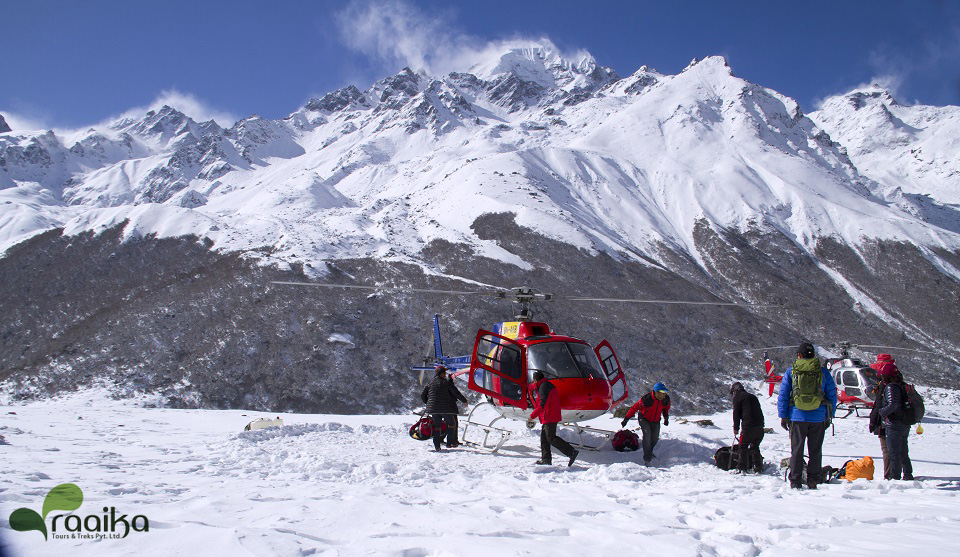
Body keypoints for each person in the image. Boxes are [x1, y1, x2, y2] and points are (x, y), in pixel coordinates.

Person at [777, 342, 838, 490]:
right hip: (818, 417)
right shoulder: (823, 372)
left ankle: (796, 481)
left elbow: (783, 395)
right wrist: (829, 416)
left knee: (797, 451)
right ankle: (813, 480)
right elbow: (832, 395)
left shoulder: (791, 371)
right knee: (815, 451)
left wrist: (783, 416)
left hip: (797, 417)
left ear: (799, 355)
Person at [874, 358, 914, 480]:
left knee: (893, 453)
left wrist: (881, 412)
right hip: (904, 423)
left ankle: (894, 477)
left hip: (894, 424)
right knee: (903, 452)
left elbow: (893, 404)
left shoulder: (891, 387)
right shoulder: (901, 385)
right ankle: (907, 474)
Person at [529, 371, 579, 466]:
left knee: (551, 438)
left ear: (536, 379)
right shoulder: (546, 385)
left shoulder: (543, 387)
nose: (533, 382)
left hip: (550, 416)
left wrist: (532, 416)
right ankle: (546, 460)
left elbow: (543, 404)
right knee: (544, 439)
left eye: (534, 379)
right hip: (550, 415)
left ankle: (571, 452)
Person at [621, 382, 671, 466]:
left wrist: (666, 418)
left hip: (656, 420)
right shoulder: (647, 399)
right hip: (644, 419)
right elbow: (634, 408)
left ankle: (649, 452)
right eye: (662, 392)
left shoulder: (666, 399)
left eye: (665, 392)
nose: (664, 394)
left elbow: (666, 408)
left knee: (654, 438)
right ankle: (647, 459)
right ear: (656, 392)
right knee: (647, 435)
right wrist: (626, 419)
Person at [420, 365, 468, 451]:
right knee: (451, 424)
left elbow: (423, 396)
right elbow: (456, 393)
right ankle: (450, 443)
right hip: (446, 408)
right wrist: (464, 400)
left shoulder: (430, 383)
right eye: (444, 373)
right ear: (441, 374)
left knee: (437, 426)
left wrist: (429, 403)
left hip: (433, 409)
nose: (445, 375)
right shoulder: (446, 383)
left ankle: (437, 446)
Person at [868, 354, 894, 479]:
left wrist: (873, 421)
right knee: (899, 448)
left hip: (885, 421)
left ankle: (889, 475)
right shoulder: (897, 378)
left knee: (886, 449)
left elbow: (878, 404)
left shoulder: (885, 383)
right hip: (897, 421)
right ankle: (901, 472)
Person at [730, 382, 764, 474]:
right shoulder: (753, 396)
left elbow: (736, 414)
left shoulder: (737, 398)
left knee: (743, 446)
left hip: (748, 427)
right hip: (760, 427)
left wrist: (736, 428)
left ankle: (741, 468)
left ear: (735, 391)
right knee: (755, 446)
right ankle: (758, 467)